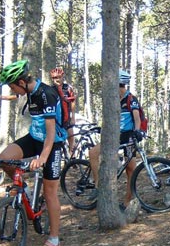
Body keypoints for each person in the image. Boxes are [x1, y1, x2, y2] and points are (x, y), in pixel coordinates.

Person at [0, 60, 66, 246]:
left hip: (52, 144)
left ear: (21, 81)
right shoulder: (28, 90)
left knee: (50, 191)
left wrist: (43, 158)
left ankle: (54, 240)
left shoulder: (47, 94)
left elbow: (51, 133)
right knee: (4, 159)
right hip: (34, 137)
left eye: (12, 86)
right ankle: (25, 191)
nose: (13, 90)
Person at [88, 69, 145, 209]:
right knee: (93, 153)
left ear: (120, 84)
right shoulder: (113, 99)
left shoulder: (131, 99)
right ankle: (98, 186)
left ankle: (127, 200)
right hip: (114, 135)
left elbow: (137, 118)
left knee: (131, 168)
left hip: (129, 135)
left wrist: (137, 132)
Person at [50, 67, 76, 154]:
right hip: (56, 119)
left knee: (71, 137)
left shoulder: (68, 88)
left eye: (58, 77)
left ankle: (72, 158)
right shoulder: (50, 89)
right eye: (54, 78)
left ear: (62, 77)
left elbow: (72, 102)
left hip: (66, 117)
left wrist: (73, 117)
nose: (57, 79)